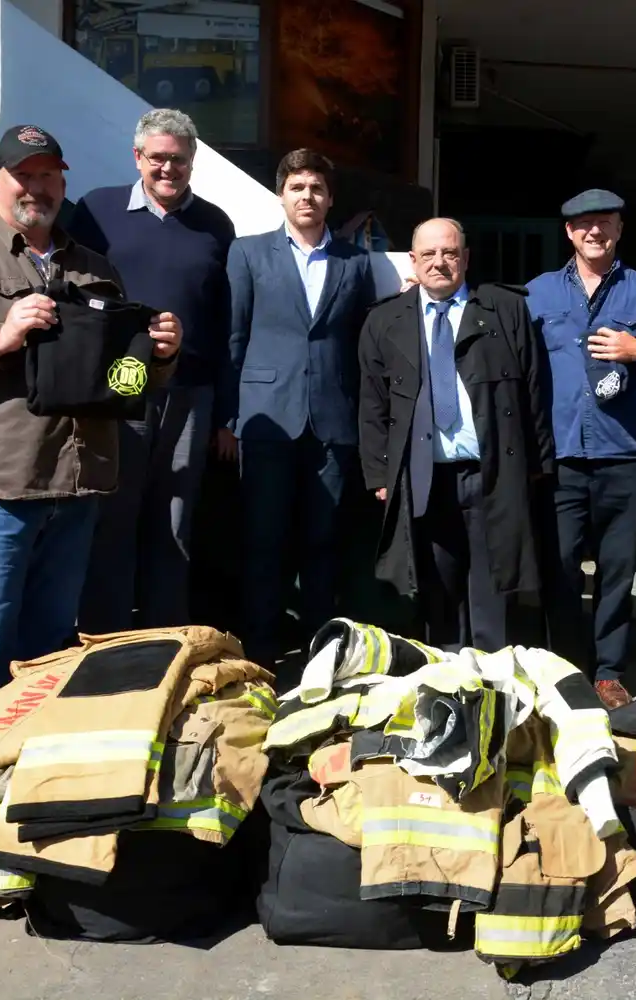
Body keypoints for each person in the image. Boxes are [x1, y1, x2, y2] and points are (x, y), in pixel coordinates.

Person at [0, 123, 182, 831]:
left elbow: (122, 380)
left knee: (50, 657)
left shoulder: (94, 268)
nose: (37, 187)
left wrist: (160, 357)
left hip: (76, 484)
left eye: (50, 175)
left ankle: (30, 796)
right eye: (24, 174)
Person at [69, 109, 235, 634]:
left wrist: (224, 410)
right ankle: (106, 643)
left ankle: (167, 643)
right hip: (122, 385)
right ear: (137, 157)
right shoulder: (97, 211)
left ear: (193, 161)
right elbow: (71, 291)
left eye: (178, 159)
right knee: (112, 520)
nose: (168, 168)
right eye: (158, 157)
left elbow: (225, 320)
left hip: (188, 391)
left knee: (176, 522)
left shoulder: (215, 224)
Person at [359, 218, 554, 651]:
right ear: (413, 261)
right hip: (425, 477)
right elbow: (373, 404)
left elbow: (534, 389)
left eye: (449, 253)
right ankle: (445, 685)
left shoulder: (504, 309)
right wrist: (379, 475)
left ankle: (490, 687)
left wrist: (537, 465)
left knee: (492, 591)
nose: (439, 263)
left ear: (465, 259)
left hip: (493, 475)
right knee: (437, 593)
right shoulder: (385, 320)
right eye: (428, 254)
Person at [220, 149, 377, 679]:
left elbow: (362, 344)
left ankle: (320, 660)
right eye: (296, 187)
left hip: (334, 422)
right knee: (264, 542)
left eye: (316, 188)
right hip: (265, 419)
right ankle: (260, 659)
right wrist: (228, 417)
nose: (306, 196)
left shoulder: (356, 261)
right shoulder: (248, 253)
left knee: (323, 545)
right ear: (282, 195)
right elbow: (235, 338)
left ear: (330, 198)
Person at [526, 189, 636, 708]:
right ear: (569, 233)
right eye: (583, 225)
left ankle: (610, 672)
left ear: (619, 229)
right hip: (562, 457)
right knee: (560, 568)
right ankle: (566, 668)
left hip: (627, 455)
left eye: (605, 223)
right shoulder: (540, 293)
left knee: (619, 571)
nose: (595, 232)